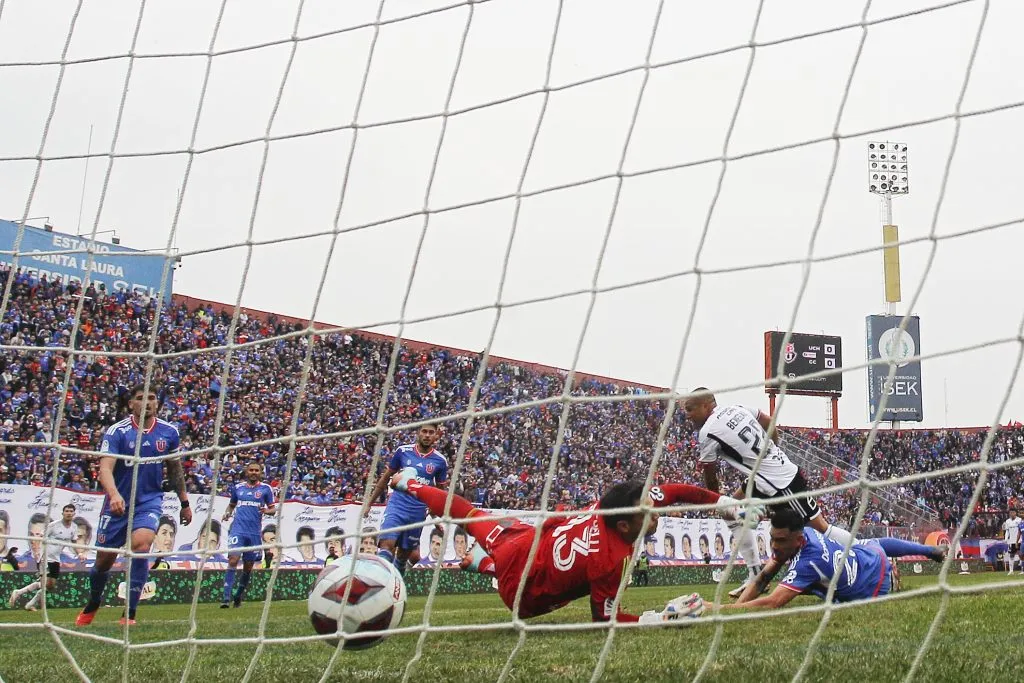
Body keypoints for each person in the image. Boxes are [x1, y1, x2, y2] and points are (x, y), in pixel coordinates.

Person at [393, 467, 722, 623]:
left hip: (522, 541)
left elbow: (676, 490)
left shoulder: (607, 506)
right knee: (553, 583)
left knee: (468, 512)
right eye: (648, 514)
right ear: (624, 525)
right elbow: (604, 620)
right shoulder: (611, 560)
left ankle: (408, 483)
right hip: (520, 593)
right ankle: (486, 565)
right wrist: (658, 618)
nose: (657, 515)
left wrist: (727, 504)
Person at [684, 389, 853, 597]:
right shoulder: (736, 408)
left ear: (705, 405)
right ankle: (755, 575)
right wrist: (773, 450)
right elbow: (769, 421)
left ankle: (866, 553)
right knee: (731, 514)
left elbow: (710, 475)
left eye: (690, 409)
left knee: (820, 528)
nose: (688, 415)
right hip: (765, 477)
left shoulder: (707, 431)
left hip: (781, 481)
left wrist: (715, 500)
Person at [76, 383, 192, 627]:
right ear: (131, 404)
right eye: (141, 398)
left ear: (157, 403)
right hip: (116, 503)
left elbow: (175, 469)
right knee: (103, 562)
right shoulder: (117, 432)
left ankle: (129, 612)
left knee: (141, 545)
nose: (147, 402)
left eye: (151, 397)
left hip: (149, 501)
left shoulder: (169, 432)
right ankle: (94, 600)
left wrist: (184, 502)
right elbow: (104, 469)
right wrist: (114, 494)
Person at [722, 508, 945, 610]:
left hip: (876, 585)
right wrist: (734, 606)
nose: (774, 546)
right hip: (865, 558)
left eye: (780, 540)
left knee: (805, 583)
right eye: (772, 539)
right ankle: (928, 551)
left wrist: (717, 609)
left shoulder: (808, 563)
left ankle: (895, 574)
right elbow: (763, 578)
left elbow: (772, 603)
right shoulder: (806, 534)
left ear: (798, 540)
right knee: (872, 544)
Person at [367, 424, 449, 575]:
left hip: (417, 513)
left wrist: (435, 516)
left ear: (436, 435)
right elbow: (386, 477)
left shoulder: (440, 461)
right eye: (424, 431)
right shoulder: (403, 452)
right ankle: (380, 581)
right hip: (397, 505)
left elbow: (439, 493)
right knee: (387, 544)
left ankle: (395, 589)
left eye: (431, 432)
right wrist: (369, 504)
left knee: (404, 555)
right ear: (418, 433)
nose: (427, 435)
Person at [220, 461, 275, 607]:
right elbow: (232, 505)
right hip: (238, 530)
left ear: (261, 472)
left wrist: (266, 511)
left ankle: (238, 595)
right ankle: (225, 598)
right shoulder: (238, 488)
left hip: (254, 533)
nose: (254, 472)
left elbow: (273, 509)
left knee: (248, 566)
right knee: (233, 560)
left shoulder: (266, 489)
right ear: (246, 471)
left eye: (256, 470)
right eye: (251, 470)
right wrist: (227, 513)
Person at [8, 504, 78, 610]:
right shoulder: (54, 525)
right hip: (45, 557)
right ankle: (24, 598)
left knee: (50, 586)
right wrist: (38, 552)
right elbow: (41, 536)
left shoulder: (74, 527)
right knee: (45, 583)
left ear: (74, 513)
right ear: (62, 513)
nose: (69, 513)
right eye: (67, 511)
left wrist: (79, 553)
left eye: (71, 511)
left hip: (56, 559)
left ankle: (24, 598)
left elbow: (74, 542)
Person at [1002, 509, 1020, 575]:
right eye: (1010, 513)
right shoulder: (1007, 521)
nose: (1012, 514)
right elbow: (1007, 531)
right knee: (1011, 555)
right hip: (1011, 541)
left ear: (1016, 513)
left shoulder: (1019, 520)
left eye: (1013, 512)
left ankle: (1022, 570)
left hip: (1019, 540)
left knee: (1021, 555)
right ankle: (1011, 570)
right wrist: (1006, 539)